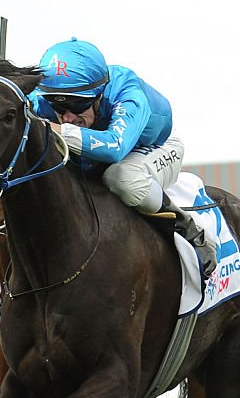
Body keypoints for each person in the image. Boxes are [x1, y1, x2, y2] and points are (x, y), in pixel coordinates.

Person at [29, 38, 217, 279]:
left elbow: (114, 148)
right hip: (99, 155)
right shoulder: (45, 98)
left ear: (98, 95)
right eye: (57, 104)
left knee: (121, 177)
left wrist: (55, 130)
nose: (67, 116)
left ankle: (189, 230)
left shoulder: (128, 93)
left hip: (155, 147)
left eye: (78, 104)